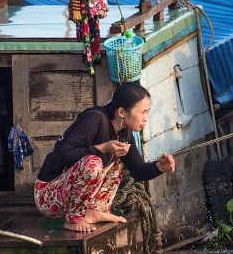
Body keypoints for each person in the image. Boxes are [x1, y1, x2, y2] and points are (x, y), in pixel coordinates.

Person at [34, 82, 175, 233]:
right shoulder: (95, 119)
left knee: (120, 157)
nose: (146, 118)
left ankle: (94, 211)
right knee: (92, 163)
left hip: (73, 200)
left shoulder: (124, 132)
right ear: (122, 112)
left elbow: (138, 170)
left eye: (148, 111)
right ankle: (74, 220)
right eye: (142, 112)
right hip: (48, 196)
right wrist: (103, 148)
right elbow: (63, 155)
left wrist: (159, 167)